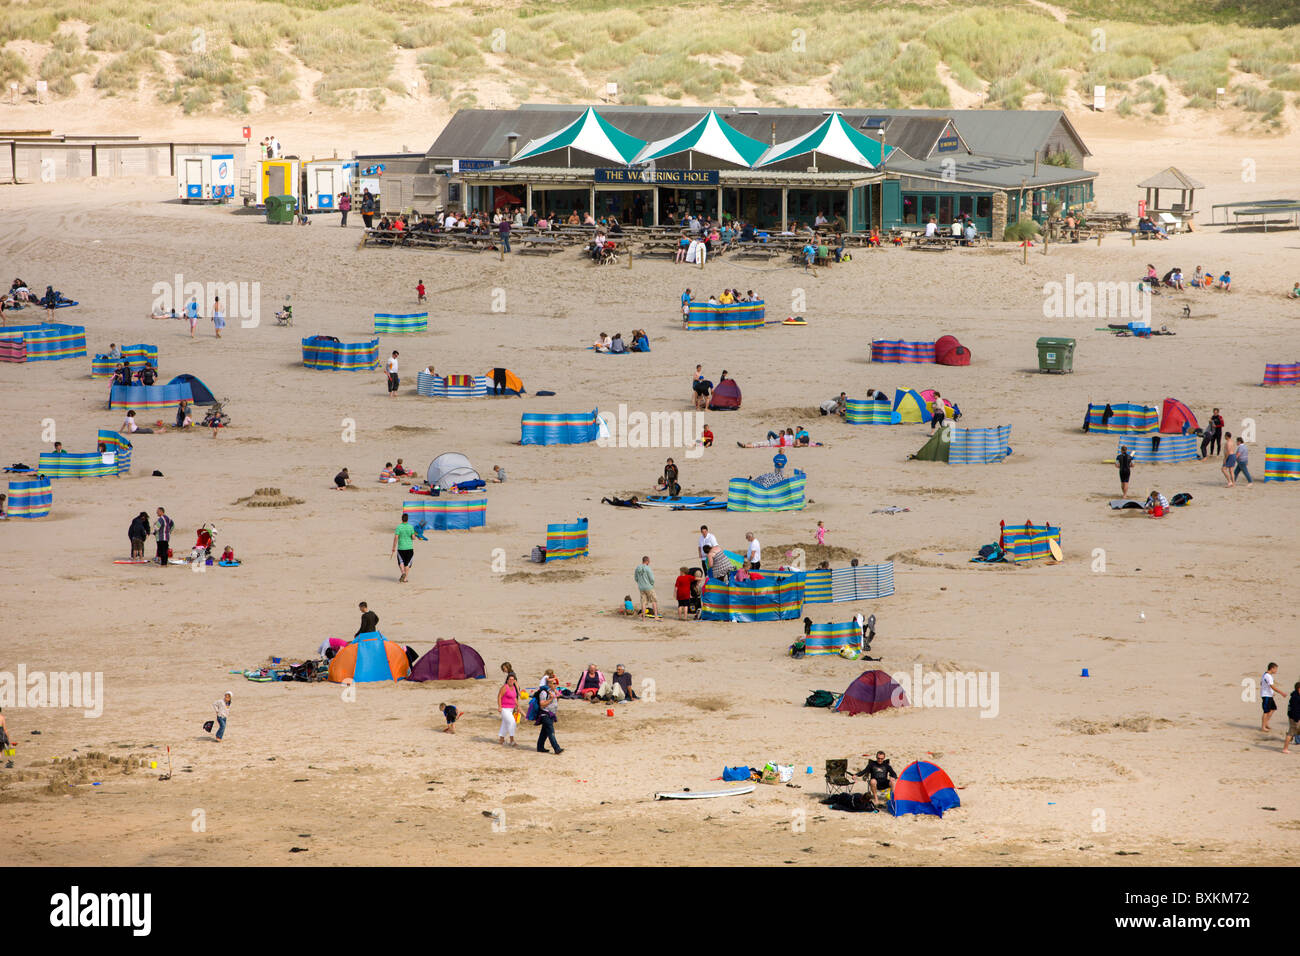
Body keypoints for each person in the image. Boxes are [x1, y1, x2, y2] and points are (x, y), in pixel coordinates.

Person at [535, 675, 563, 754]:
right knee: (551, 732)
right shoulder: (544, 693)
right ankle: (557, 748)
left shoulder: (553, 691)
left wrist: (557, 698)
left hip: (551, 714)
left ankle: (540, 747)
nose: (555, 685)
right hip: (545, 714)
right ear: (549, 684)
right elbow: (542, 704)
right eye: (553, 683)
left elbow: (555, 702)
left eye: (556, 683)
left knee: (544, 732)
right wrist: (551, 698)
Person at [392, 512, 417, 583]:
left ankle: (403, 572)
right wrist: (415, 536)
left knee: (401, 562)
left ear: (402, 519)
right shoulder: (411, 527)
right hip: (409, 548)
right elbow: (413, 538)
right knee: (407, 563)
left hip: (401, 548)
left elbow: (396, 538)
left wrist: (393, 547)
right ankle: (405, 578)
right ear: (407, 519)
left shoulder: (399, 527)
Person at [498, 674, 519, 746]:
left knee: (505, 724)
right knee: (512, 722)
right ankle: (512, 739)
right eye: (510, 679)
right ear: (507, 680)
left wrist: (518, 705)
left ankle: (501, 739)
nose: (511, 681)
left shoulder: (513, 687)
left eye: (513, 680)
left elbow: (515, 698)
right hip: (504, 709)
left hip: (511, 709)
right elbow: (499, 696)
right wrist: (499, 707)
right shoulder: (505, 687)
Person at [1261, 663, 1282, 732]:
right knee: (1266, 711)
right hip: (1266, 695)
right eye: (1275, 669)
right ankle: (1263, 727)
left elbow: (1262, 683)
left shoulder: (1266, 675)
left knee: (1273, 708)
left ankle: (1266, 723)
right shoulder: (1268, 676)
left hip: (1269, 695)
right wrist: (1281, 692)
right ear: (1272, 668)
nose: (1276, 670)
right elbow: (1272, 686)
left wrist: (1272, 693)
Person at [1282, 680, 1300, 753]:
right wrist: (1296, 719)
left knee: (1292, 733)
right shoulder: (1296, 698)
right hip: (1295, 719)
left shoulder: (1296, 695)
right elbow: (1294, 710)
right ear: (1299, 689)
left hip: (1294, 718)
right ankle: (1285, 749)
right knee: (1290, 733)